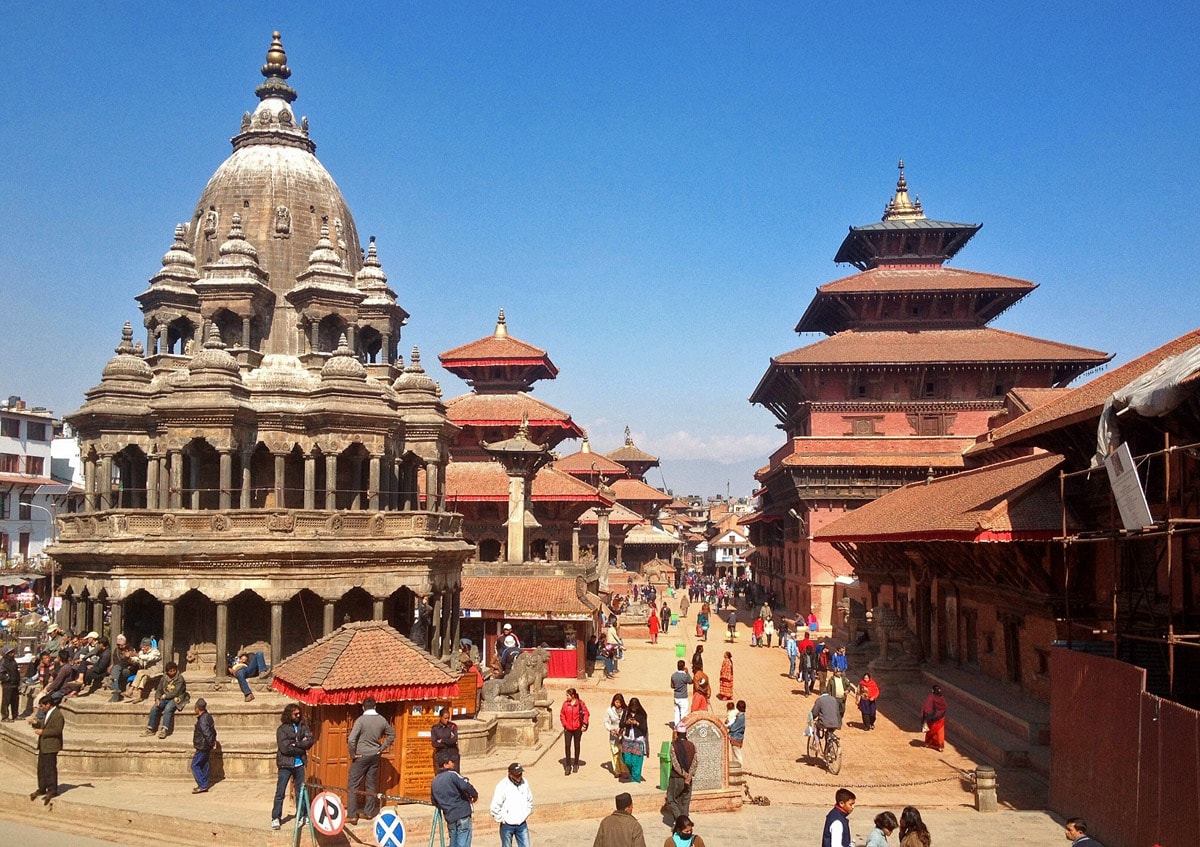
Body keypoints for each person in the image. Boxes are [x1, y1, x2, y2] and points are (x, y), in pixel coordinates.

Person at [347, 696, 396, 823]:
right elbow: (392, 734)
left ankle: (352, 814)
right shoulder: (381, 720)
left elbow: (351, 739)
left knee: (353, 784)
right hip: (375, 755)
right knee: (371, 784)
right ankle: (369, 812)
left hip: (361, 755)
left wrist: (353, 754)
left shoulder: (361, 720)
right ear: (375, 706)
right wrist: (382, 747)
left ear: (363, 707)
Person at [271, 702, 314, 831]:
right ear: (289, 714)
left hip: (299, 764)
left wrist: (296, 744)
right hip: (286, 764)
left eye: (299, 713)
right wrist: (301, 747)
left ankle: (302, 815)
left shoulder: (302, 726)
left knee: (300, 791)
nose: (298, 715)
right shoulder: (282, 729)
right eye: (296, 714)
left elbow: (310, 741)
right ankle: (275, 817)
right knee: (280, 792)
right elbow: (285, 748)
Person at [431, 752, 478, 847]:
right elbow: (465, 786)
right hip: (462, 813)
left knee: (453, 842)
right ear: (445, 764)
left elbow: (434, 801)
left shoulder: (434, 781)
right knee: (463, 842)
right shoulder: (452, 775)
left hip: (450, 816)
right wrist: (474, 795)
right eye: (451, 762)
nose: (453, 763)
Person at [29, 691, 64, 804]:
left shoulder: (57, 715)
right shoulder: (48, 714)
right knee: (42, 768)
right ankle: (42, 788)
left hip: (51, 745)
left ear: (48, 704)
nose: (41, 708)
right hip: (44, 745)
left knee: (50, 768)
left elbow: (57, 730)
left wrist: (43, 732)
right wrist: (35, 723)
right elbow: (43, 724)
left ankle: (52, 789)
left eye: (42, 706)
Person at [490, 762, 533, 847]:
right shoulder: (502, 786)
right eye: (517, 775)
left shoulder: (525, 783)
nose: (519, 777)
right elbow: (495, 806)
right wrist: (503, 819)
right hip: (507, 825)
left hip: (522, 823)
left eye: (520, 774)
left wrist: (526, 813)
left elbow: (530, 800)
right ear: (510, 774)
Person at [143, 661, 189, 738]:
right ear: (167, 672)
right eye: (170, 671)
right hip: (164, 697)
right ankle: (150, 728)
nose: (173, 672)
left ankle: (164, 729)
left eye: (174, 670)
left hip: (177, 697)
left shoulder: (180, 678)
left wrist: (165, 696)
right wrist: (157, 698)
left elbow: (176, 692)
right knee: (155, 708)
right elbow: (159, 689)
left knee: (168, 708)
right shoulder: (164, 678)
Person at [667, 722, 697, 821]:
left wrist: (684, 775)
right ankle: (685, 820)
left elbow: (675, 764)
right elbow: (695, 761)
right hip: (689, 779)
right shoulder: (692, 745)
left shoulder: (673, 746)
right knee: (685, 801)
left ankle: (680, 821)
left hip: (676, 778)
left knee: (671, 798)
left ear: (677, 733)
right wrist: (689, 776)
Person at [559, 687, 590, 775]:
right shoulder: (565, 704)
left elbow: (586, 713)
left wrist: (584, 724)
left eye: (568, 695)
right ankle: (568, 765)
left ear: (573, 696)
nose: (567, 697)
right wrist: (565, 724)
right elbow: (562, 714)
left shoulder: (580, 703)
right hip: (568, 728)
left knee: (577, 745)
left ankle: (576, 763)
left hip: (577, 728)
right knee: (567, 746)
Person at [191, 697, 218, 794]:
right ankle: (204, 784)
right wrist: (213, 742)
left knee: (195, 765)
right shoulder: (208, 716)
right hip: (206, 745)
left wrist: (211, 742)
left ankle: (202, 785)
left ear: (198, 708)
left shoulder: (203, 719)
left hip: (202, 746)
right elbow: (213, 730)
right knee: (204, 764)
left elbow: (207, 732)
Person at [620, 697, 649, 783]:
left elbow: (644, 729)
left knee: (636, 763)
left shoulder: (642, 715)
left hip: (638, 740)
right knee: (627, 760)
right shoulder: (626, 713)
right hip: (627, 739)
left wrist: (637, 723)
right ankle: (633, 773)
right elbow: (621, 724)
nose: (633, 709)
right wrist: (627, 723)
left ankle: (635, 781)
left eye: (635, 708)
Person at [126, 638, 162, 703]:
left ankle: (131, 689)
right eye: (142, 647)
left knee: (140, 671)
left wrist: (138, 655)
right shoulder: (141, 653)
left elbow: (149, 658)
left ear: (149, 647)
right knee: (143, 677)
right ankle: (139, 697)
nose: (142, 649)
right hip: (147, 673)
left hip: (156, 672)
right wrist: (129, 658)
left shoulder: (155, 652)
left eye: (144, 647)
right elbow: (136, 660)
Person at [605, 693, 630, 778]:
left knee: (623, 753)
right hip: (614, 735)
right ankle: (617, 771)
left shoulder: (626, 711)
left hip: (623, 735)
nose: (618, 704)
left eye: (619, 702)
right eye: (616, 702)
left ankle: (624, 770)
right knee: (615, 753)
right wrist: (610, 729)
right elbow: (606, 722)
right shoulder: (609, 710)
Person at [431, 707, 461, 771]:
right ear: (440, 717)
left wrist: (442, 741)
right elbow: (434, 743)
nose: (447, 720)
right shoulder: (435, 729)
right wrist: (448, 742)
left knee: (454, 774)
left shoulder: (453, 726)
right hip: (441, 754)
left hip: (453, 753)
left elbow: (454, 740)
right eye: (445, 718)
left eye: (448, 718)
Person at [920, 684, 947, 752]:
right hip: (941, 718)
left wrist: (925, 717)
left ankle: (928, 743)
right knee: (940, 732)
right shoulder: (942, 698)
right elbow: (944, 708)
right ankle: (940, 746)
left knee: (931, 731)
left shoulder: (931, 697)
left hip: (932, 719)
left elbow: (927, 708)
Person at [0, 645, 19, 721]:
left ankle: (15, 715)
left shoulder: (13, 661)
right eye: (10, 653)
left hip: (14, 684)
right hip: (7, 684)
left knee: (15, 700)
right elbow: (1, 674)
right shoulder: (3, 662)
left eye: (13, 652)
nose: (12, 654)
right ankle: (5, 716)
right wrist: (8, 678)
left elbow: (16, 671)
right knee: (6, 701)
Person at [727, 700, 745, 767]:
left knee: (737, 754)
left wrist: (729, 726)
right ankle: (736, 767)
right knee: (734, 754)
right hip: (736, 737)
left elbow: (734, 727)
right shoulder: (740, 716)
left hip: (736, 738)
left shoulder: (741, 718)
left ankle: (739, 766)